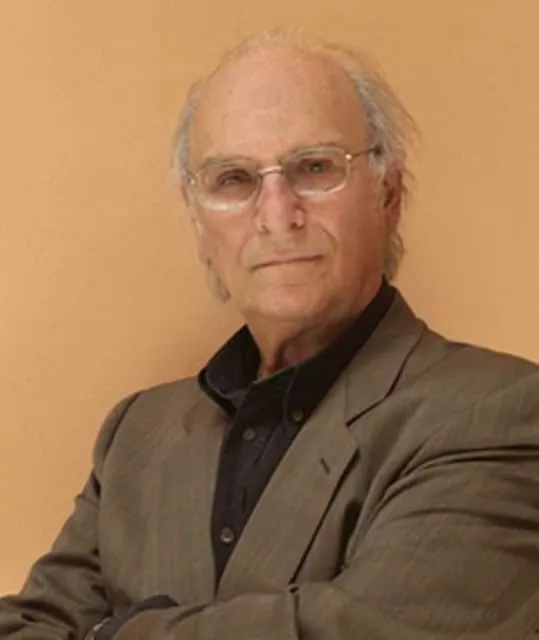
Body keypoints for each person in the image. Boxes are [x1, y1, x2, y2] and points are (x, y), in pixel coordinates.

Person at [2, 29, 539, 640]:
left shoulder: (501, 412)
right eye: (233, 179)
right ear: (199, 224)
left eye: (315, 168)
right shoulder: (136, 434)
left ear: (388, 196)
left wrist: (109, 633)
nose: (278, 216)